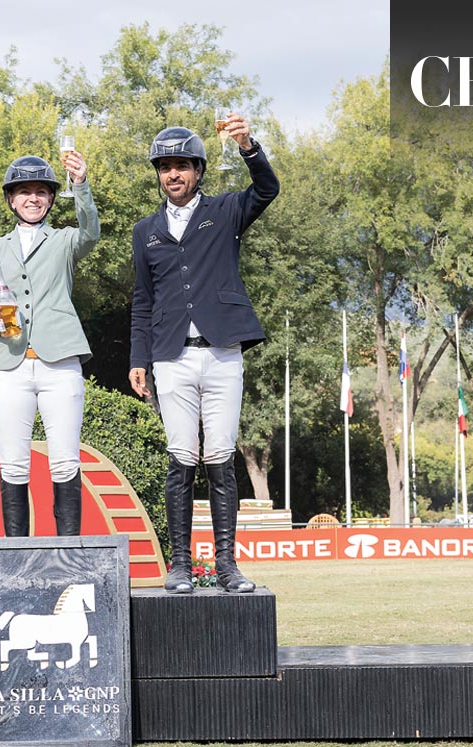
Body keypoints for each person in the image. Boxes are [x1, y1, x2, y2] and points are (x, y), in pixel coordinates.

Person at [128, 114, 279, 594]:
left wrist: (248, 146)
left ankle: (227, 564)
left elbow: (268, 189)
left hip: (222, 352)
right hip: (170, 356)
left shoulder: (226, 210)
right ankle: (180, 564)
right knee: (181, 456)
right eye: (165, 167)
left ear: (198, 170)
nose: (173, 174)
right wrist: (138, 359)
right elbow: (143, 300)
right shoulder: (145, 230)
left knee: (219, 456)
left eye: (182, 166)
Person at [0, 152, 100, 535]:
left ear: (51, 198)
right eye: (24, 192)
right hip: (9, 365)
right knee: (13, 464)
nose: (33, 198)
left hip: (59, 362)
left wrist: (81, 185)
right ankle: (17, 555)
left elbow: (91, 233)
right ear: (11, 199)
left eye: (41, 192)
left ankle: (68, 553)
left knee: (64, 461)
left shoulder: (63, 240)